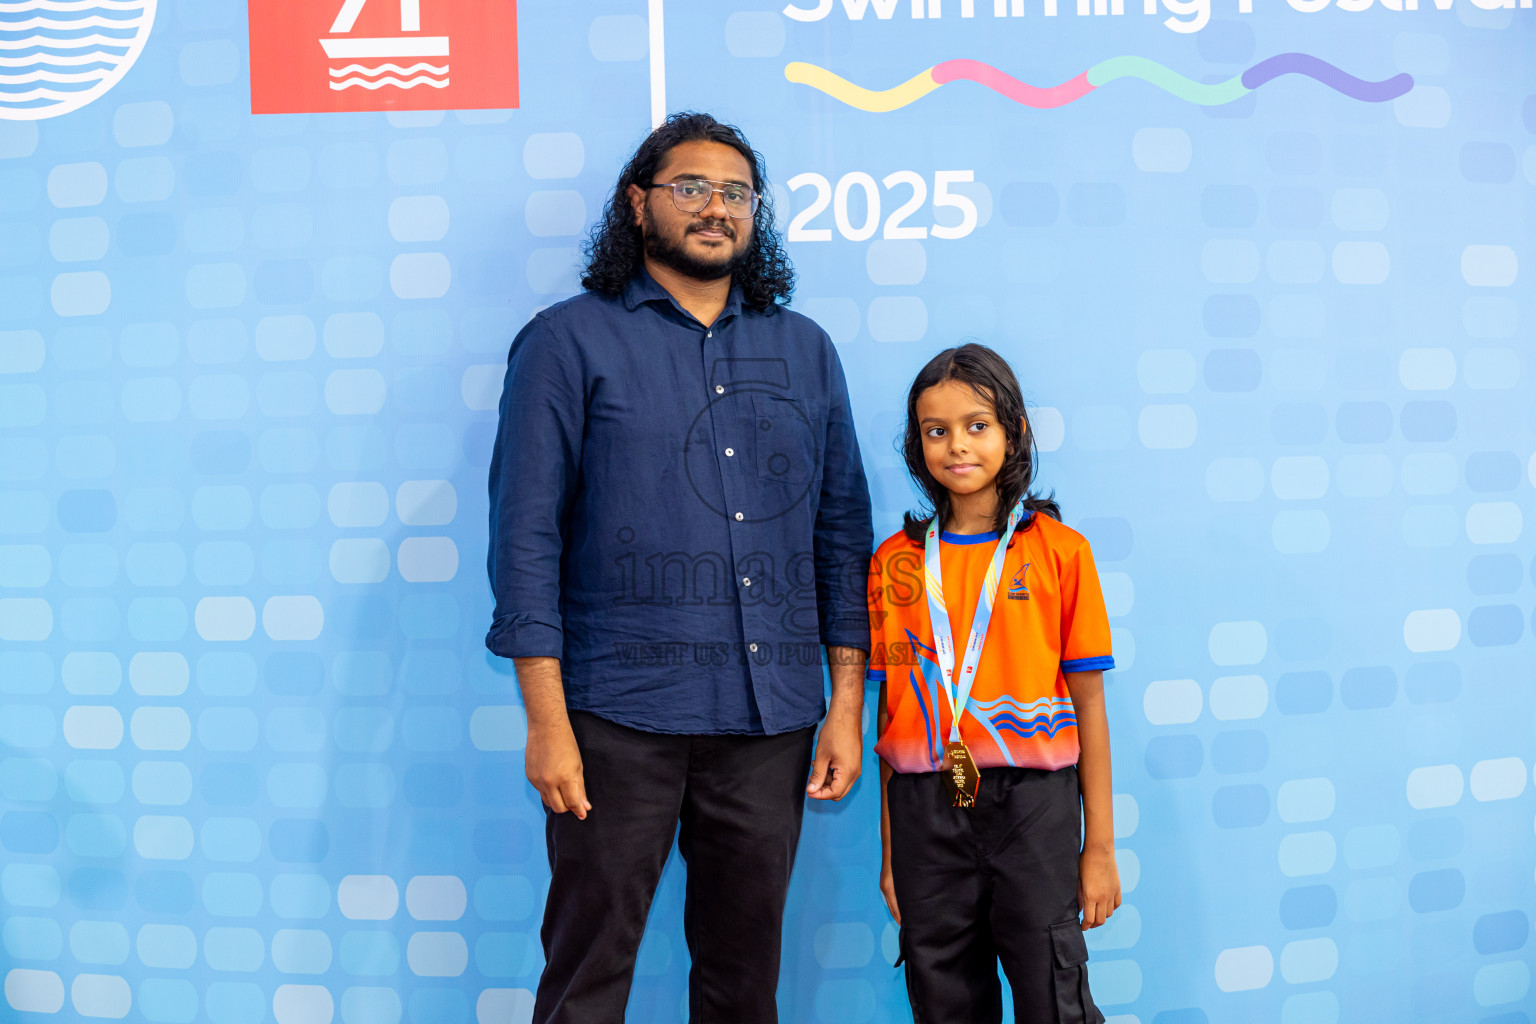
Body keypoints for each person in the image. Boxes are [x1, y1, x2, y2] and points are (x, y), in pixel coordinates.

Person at [485, 112, 873, 1024]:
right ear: (637, 203)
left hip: (769, 718)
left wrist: (846, 704)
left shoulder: (804, 348)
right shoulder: (565, 343)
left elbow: (840, 531)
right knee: (587, 980)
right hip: (616, 720)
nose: (715, 208)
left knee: (744, 989)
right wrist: (547, 722)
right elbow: (525, 540)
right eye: (690, 187)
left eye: (736, 193)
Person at [868, 343, 1119, 1023]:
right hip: (927, 806)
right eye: (936, 430)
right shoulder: (894, 563)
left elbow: (1089, 706)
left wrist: (1097, 849)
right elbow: (888, 723)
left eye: (977, 425)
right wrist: (894, 859)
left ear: (1015, 433)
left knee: (1051, 988)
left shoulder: (1060, 553)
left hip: (1034, 805)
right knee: (942, 989)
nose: (957, 445)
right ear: (917, 445)